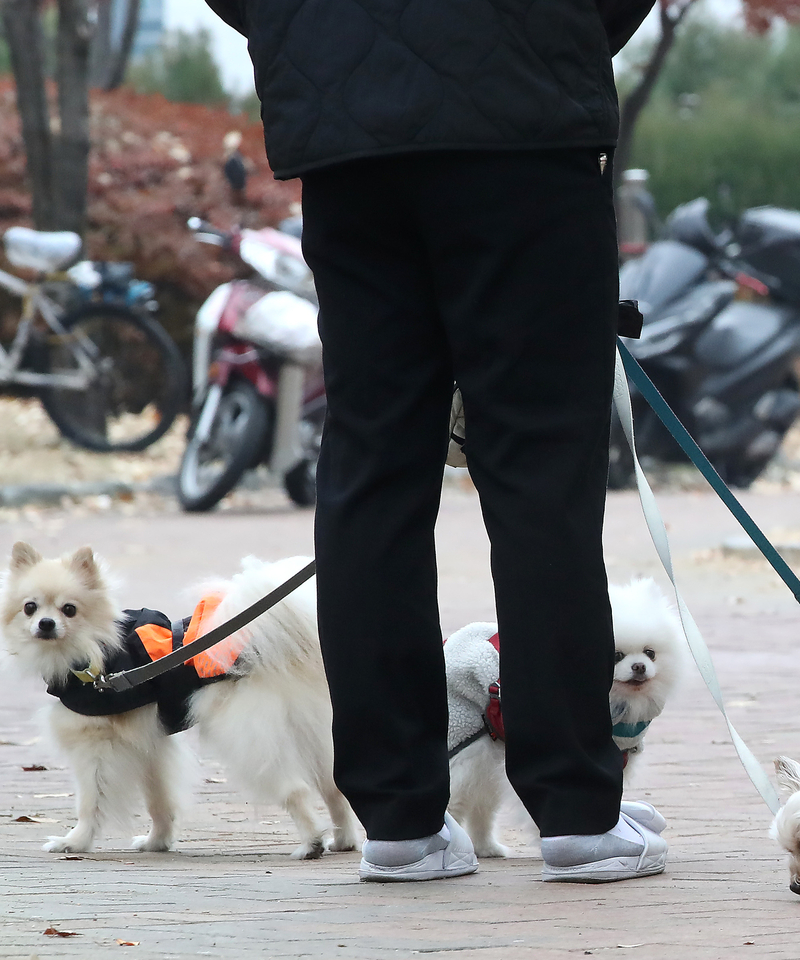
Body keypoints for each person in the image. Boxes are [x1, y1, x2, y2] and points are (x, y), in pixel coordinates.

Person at [202, 0, 665, 883]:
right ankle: (572, 807)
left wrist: (306, 33)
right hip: (524, 116)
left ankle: (399, 817)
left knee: (371, 461)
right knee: (539, 470)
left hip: (346, 131)